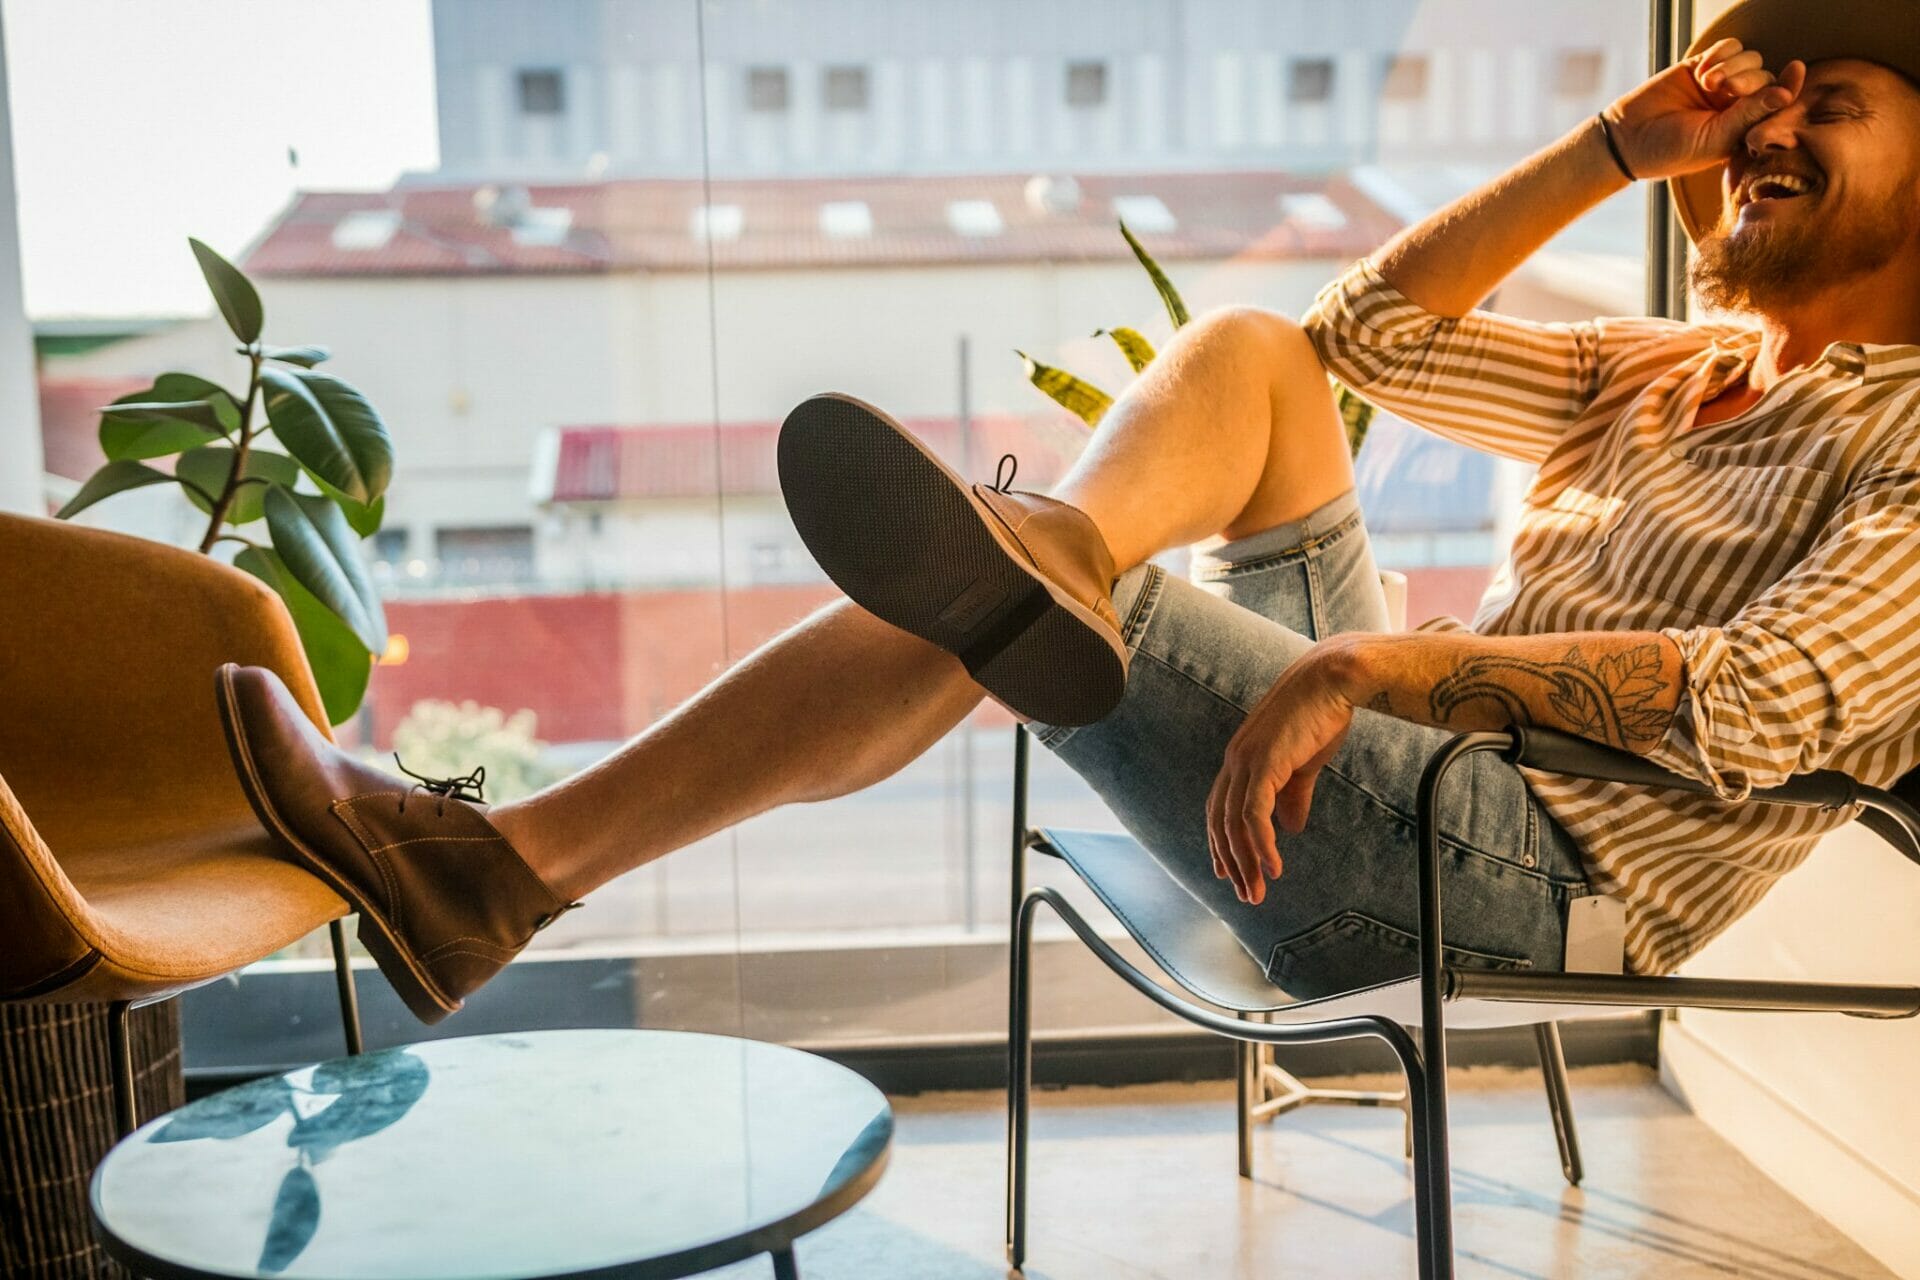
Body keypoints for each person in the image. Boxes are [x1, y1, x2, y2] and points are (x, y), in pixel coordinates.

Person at [216, 0, 1920, 1025]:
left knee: (1031, 606)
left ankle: (503, 866)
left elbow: (1760, 705)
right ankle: (1055, 565)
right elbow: (1364, 341)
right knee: (1251, 357)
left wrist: (1374, 675)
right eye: (1757, 110)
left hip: (1528, 876)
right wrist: (1613, 151)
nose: (1764, 132)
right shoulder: (1666, 367)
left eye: (1821, 112)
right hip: (1408, 768)